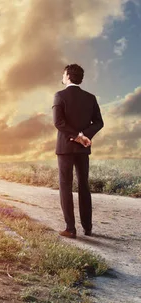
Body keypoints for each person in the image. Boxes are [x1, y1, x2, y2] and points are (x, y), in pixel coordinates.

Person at [52, 63, 104, 239]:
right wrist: (84, 136)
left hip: (65, 148)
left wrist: (75, 136)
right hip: (83, 148)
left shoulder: (59, 95)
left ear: (67, 76)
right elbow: (99, 122)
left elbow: (59, 123)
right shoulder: (90, 98)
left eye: (63, 74)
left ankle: (70, 229)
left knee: (65, 187)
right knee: (84, 186)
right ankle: (88, 228)